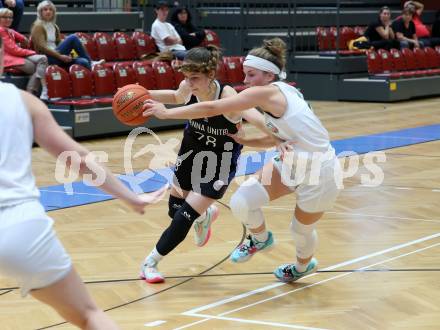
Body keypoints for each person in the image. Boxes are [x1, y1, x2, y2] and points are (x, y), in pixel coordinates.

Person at [143, 38, 342, 283]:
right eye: (244, 75)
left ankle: (302, 266)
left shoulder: (262, 93)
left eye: (251, 75)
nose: (245, 81)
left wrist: (165, 114)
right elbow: (270, 133)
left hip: (319, 171)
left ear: (269, 75)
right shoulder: (278, 92)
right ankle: (259, 238)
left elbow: (211, 108)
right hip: (288, 162)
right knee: (240, 202)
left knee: (300, 230)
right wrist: (267, 140)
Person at [0, 37, 166, 329]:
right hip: (21, 225)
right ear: (3, 56)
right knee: (89, 315)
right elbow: (78, 158)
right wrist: (130, 197)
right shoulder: (24, 102)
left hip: (19, 222)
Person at [139, 45, 272, 283]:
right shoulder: (187, 86)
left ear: (210, 75)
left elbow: (255, 116)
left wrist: (279, 136)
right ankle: (206, 215)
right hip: (191, 150)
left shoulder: (228, 95)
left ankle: (150, 262)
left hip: (220, 160)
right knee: (174, 210)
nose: (189, 84)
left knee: (183, 218)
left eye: (195, 78)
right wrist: (143, 93)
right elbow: (175, 96)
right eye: (186, 78)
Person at [30, 0, 103, 70]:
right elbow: (42, 48)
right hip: (47, 58)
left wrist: (71, 53)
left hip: (57, 56)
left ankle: (89, 66)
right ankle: (91, 62)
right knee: (73, 38)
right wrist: (60, 56)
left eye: (50, 9)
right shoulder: (38, 26)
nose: (48, 11)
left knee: (84, 62)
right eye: (45, 10)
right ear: (40, 12)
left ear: (53, 12)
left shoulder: (54, 26)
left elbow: (58, 43)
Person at [0, 8, 48, 100]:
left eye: (10, 17)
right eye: (4, 17)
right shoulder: (1, 30)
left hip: (16, 56)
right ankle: (31, 93)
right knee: (38, 67)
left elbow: (23, 39)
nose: (8, 19)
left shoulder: (9, 30)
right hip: (7, 59)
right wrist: (32, 52)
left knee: (43, 59)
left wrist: (24, 40)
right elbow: (14, 50)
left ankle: (36, 92)